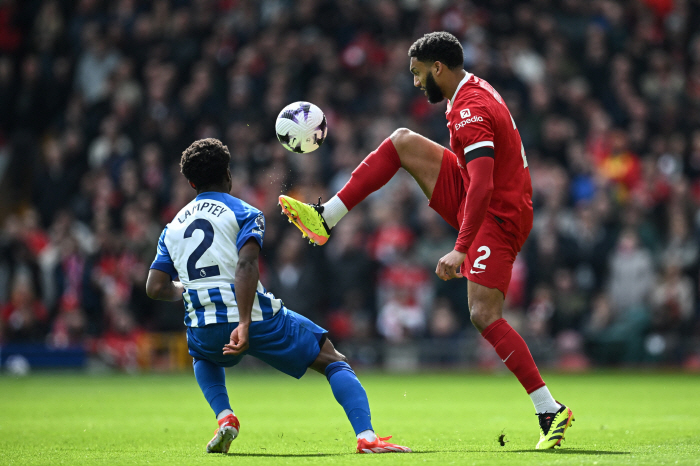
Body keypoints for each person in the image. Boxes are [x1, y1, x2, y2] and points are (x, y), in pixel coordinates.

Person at [279, 32, 574, 449]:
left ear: (439, 68)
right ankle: (327, 217)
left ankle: (550, 410)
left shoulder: (472, 109)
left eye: (418, 74)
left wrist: (461, 246)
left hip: (498, 214)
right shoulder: (464, 92)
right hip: (480, 191)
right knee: (401, 141)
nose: (415, 83)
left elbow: (484, 186)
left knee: (483, 314)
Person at [146, 138, 410, 455]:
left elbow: (156, 287)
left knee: (202, 356)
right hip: (255, 319)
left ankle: (225, 416)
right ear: (228, 175)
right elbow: (245, 265)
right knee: (332, 360)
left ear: (190, 182)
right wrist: (244, 322)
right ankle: (366, 436)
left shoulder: (172, 228)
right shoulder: (244, 212)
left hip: (203, 325)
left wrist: (185, 288)